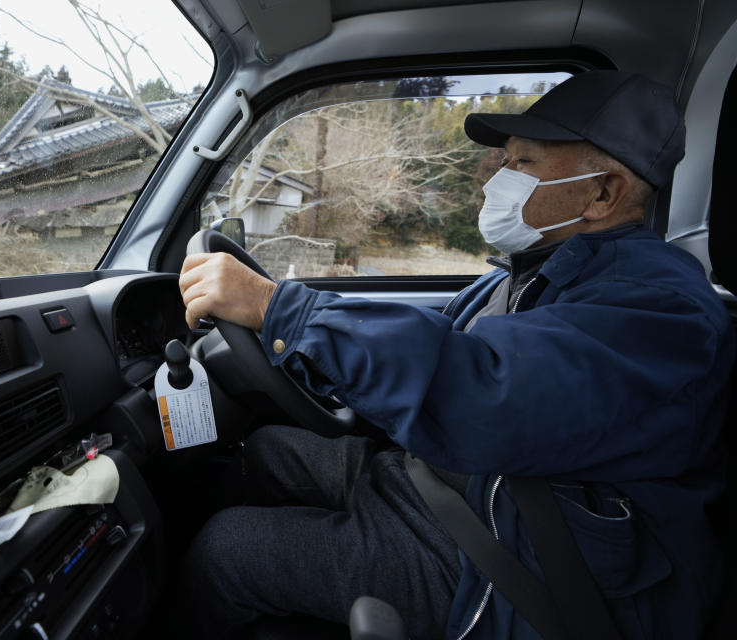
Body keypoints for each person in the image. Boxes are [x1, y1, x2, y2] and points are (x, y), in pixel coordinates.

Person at [176, 71, 735, 639]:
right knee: (265, 452)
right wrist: (301, 346)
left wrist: (280, 311)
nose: (499, 177)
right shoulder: (529, 271)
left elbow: (485, 391)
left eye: (524, 163)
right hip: (458, 487)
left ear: (603, 193)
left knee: (228, 551)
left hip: (526, 557)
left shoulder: (662, 310)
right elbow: (428, 343)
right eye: (506, 160)